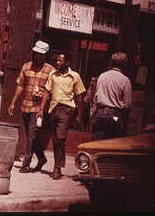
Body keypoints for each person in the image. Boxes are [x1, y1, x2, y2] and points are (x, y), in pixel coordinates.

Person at [36, 52, 86, 180]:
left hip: (66, 109)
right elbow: (47, 92)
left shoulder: (75, 76)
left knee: (60, 137)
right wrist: (41, 110)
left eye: (60, 61)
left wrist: (79, 115)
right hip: (53, 109)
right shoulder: (53, 75)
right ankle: (57, 165)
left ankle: (57, 168)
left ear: (67, 63)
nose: (57, 63)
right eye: (56, 60)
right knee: (55, 139)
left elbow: (80, 95)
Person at [8, 40, 54, 173]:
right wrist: (13, 102)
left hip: (39, 109)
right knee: (30, 135)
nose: (38, 57)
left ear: (45, 55)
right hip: (26, 106)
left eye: (41, 55)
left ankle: (26, 163)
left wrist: (44, 97)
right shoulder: (26, 67)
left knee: (32, 135)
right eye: (36, 54)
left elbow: (53, 90)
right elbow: (20, 85)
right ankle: (41, 158)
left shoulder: (51, 70)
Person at [91, 52, 132, 140]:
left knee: (97, 144)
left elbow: (95, 97)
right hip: (114, 116)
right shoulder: (125, 80)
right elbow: (127, 105)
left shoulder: (102, 76)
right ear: (124, 64)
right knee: (112, 143)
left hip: (100, 113)